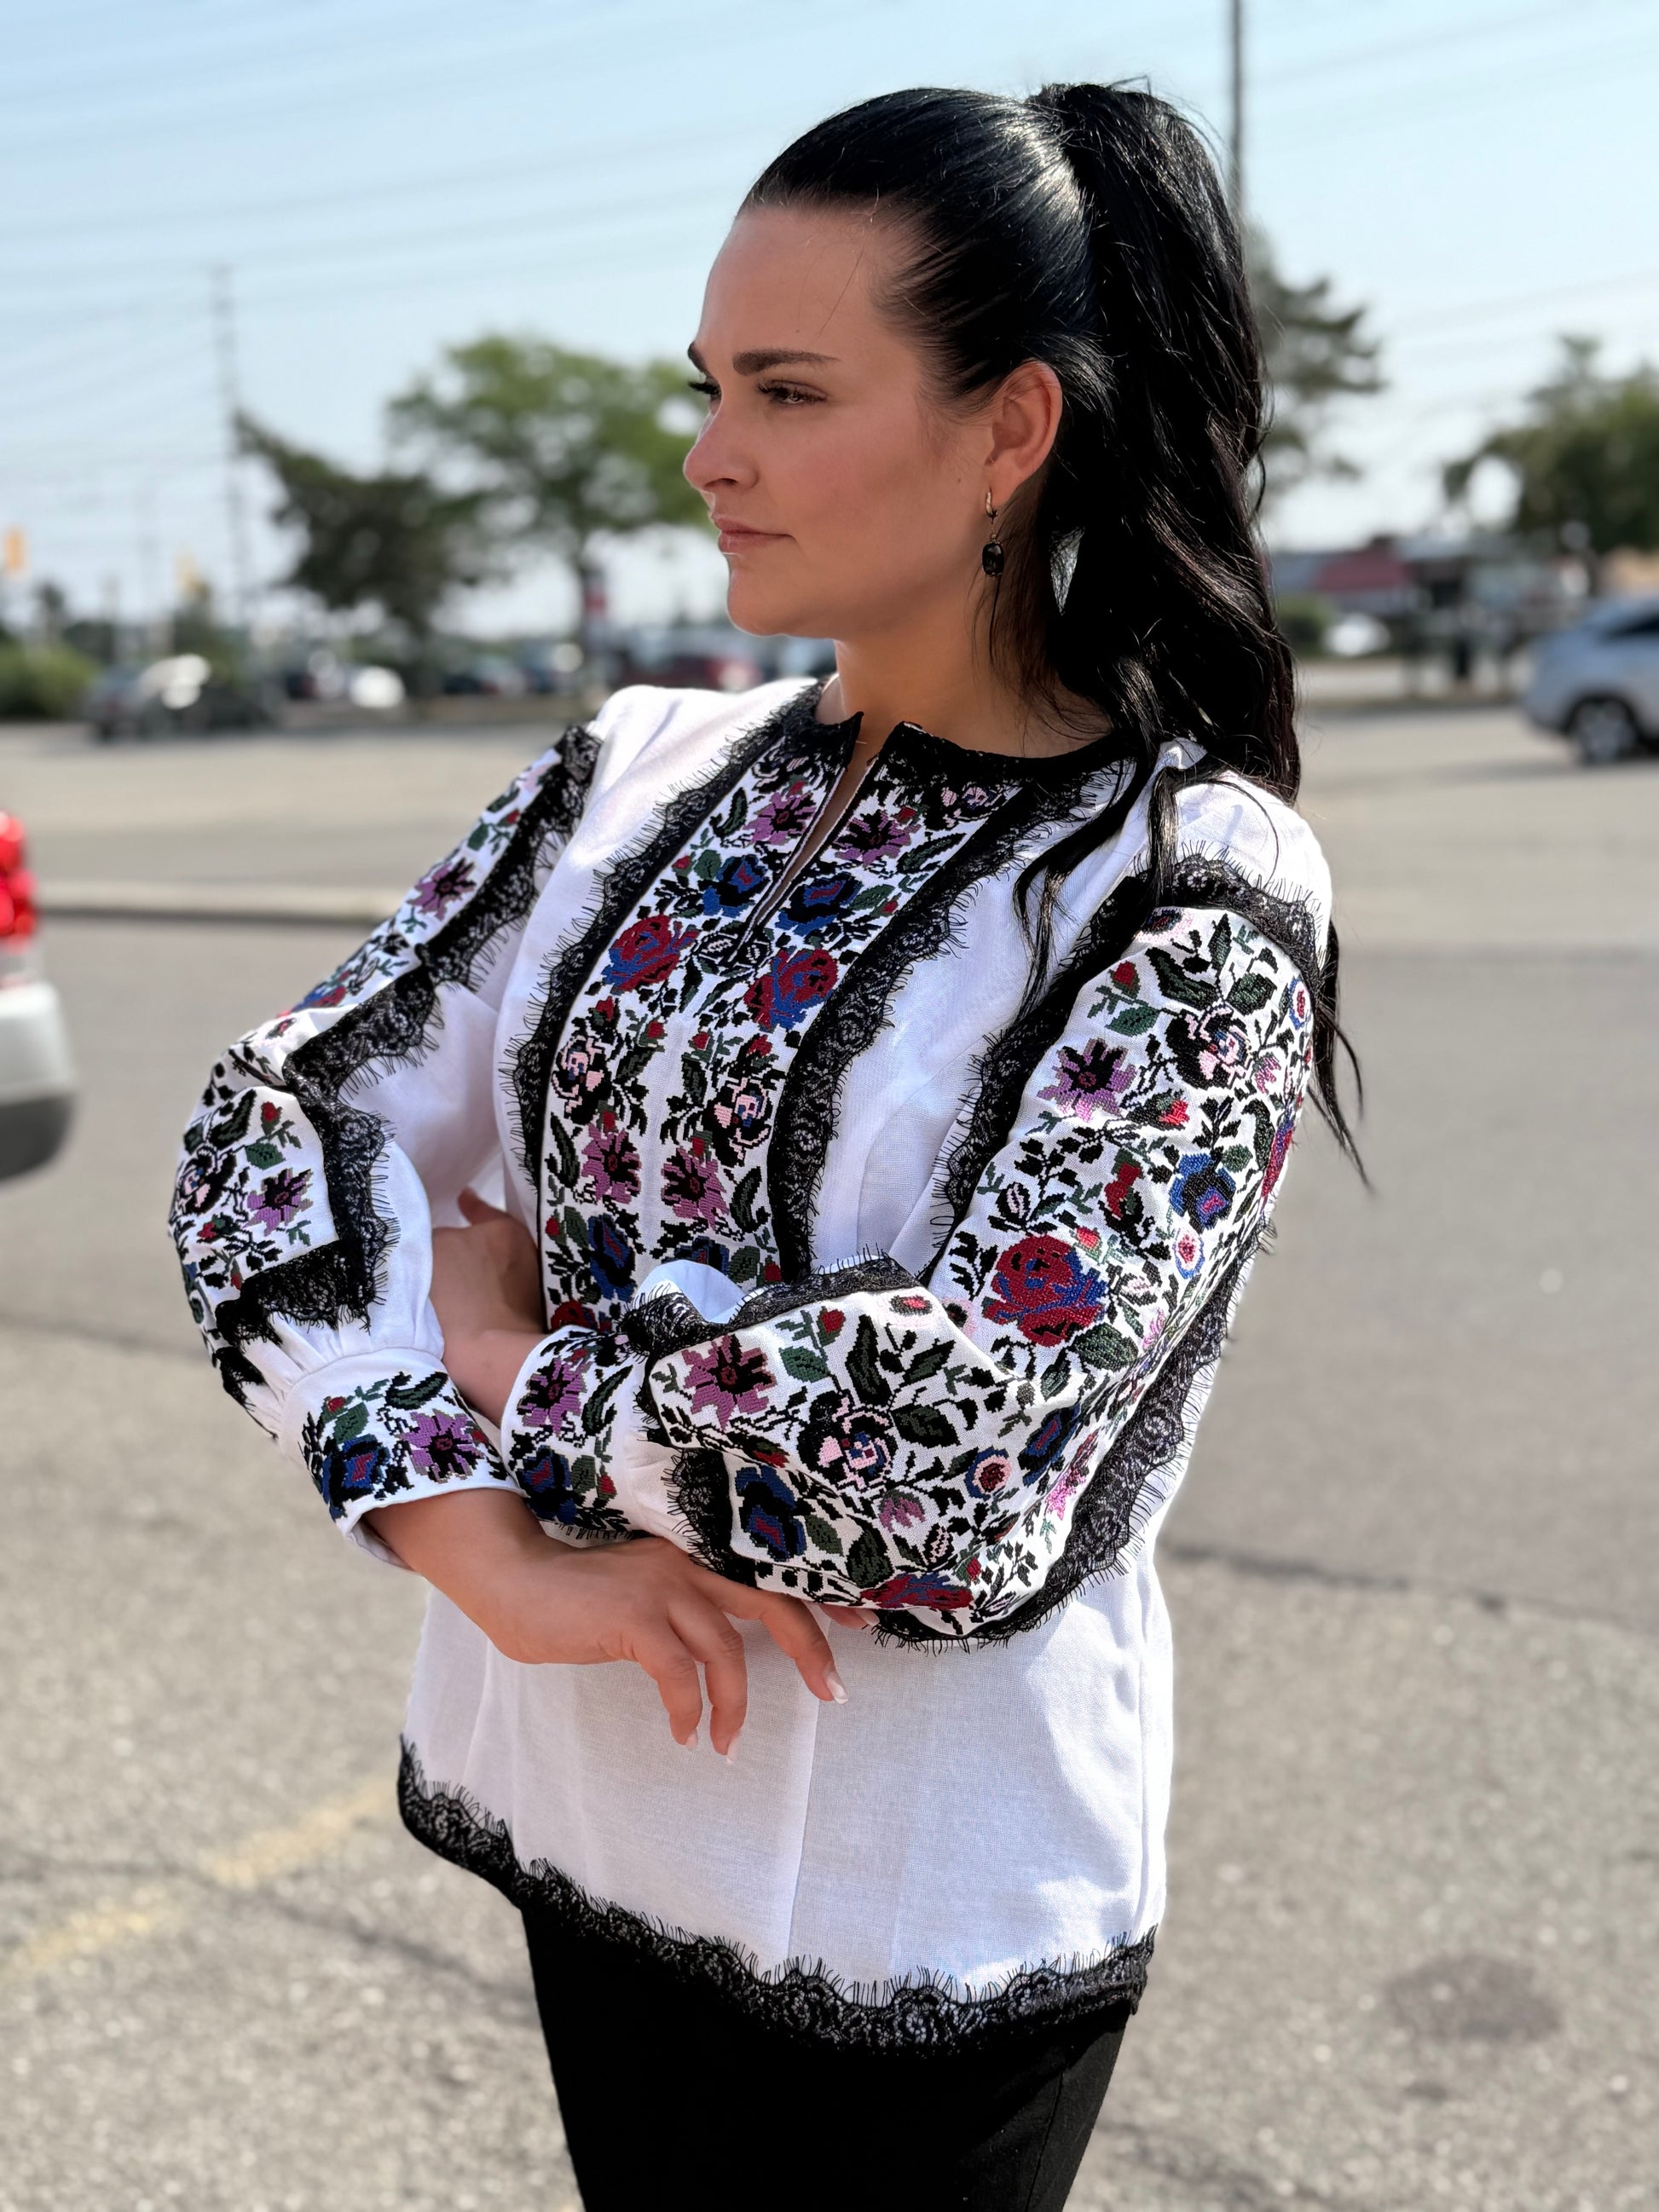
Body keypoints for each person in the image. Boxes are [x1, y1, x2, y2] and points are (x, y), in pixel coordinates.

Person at [170, 82, 1356, 2212]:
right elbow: (277, 1130)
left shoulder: (1188, 880)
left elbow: (973, 1453)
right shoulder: (636, 766)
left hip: (925, 1891)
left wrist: (516, 1360)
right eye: (709, 384)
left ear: (1009, 432)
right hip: (588, 1802)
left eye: (788, 390)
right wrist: (480, 1550)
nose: (709, 451)